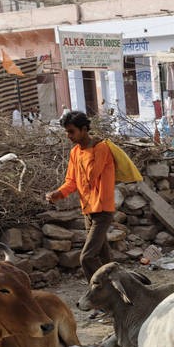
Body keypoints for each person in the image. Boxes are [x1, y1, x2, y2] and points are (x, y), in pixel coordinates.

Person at [45, 110, 115, 280]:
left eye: (71, 131)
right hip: (88, 210)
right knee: (105, 258)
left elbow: (92, 175)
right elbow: (72, 181)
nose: (68, 136)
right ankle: (120, 287)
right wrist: (58, 193)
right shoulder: (75, 152)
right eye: (67, 132)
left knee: (87, 258)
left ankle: (98, 290)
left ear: (84, 129)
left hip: (102, 210)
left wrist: (90, 148)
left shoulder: (101, 148)